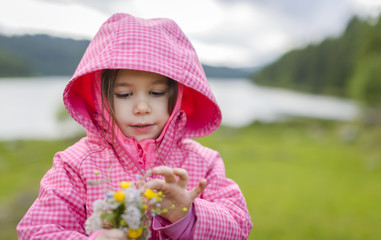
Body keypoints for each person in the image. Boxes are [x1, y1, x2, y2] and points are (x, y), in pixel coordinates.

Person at [17, 13, 252, 239]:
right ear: (100, 98)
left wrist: (186, 215)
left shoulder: (204, 163)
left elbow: (238, 228)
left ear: (179, 96)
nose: (142, 107)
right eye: (124, 94)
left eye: (157, 92)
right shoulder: (75, 165)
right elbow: (37, 230)